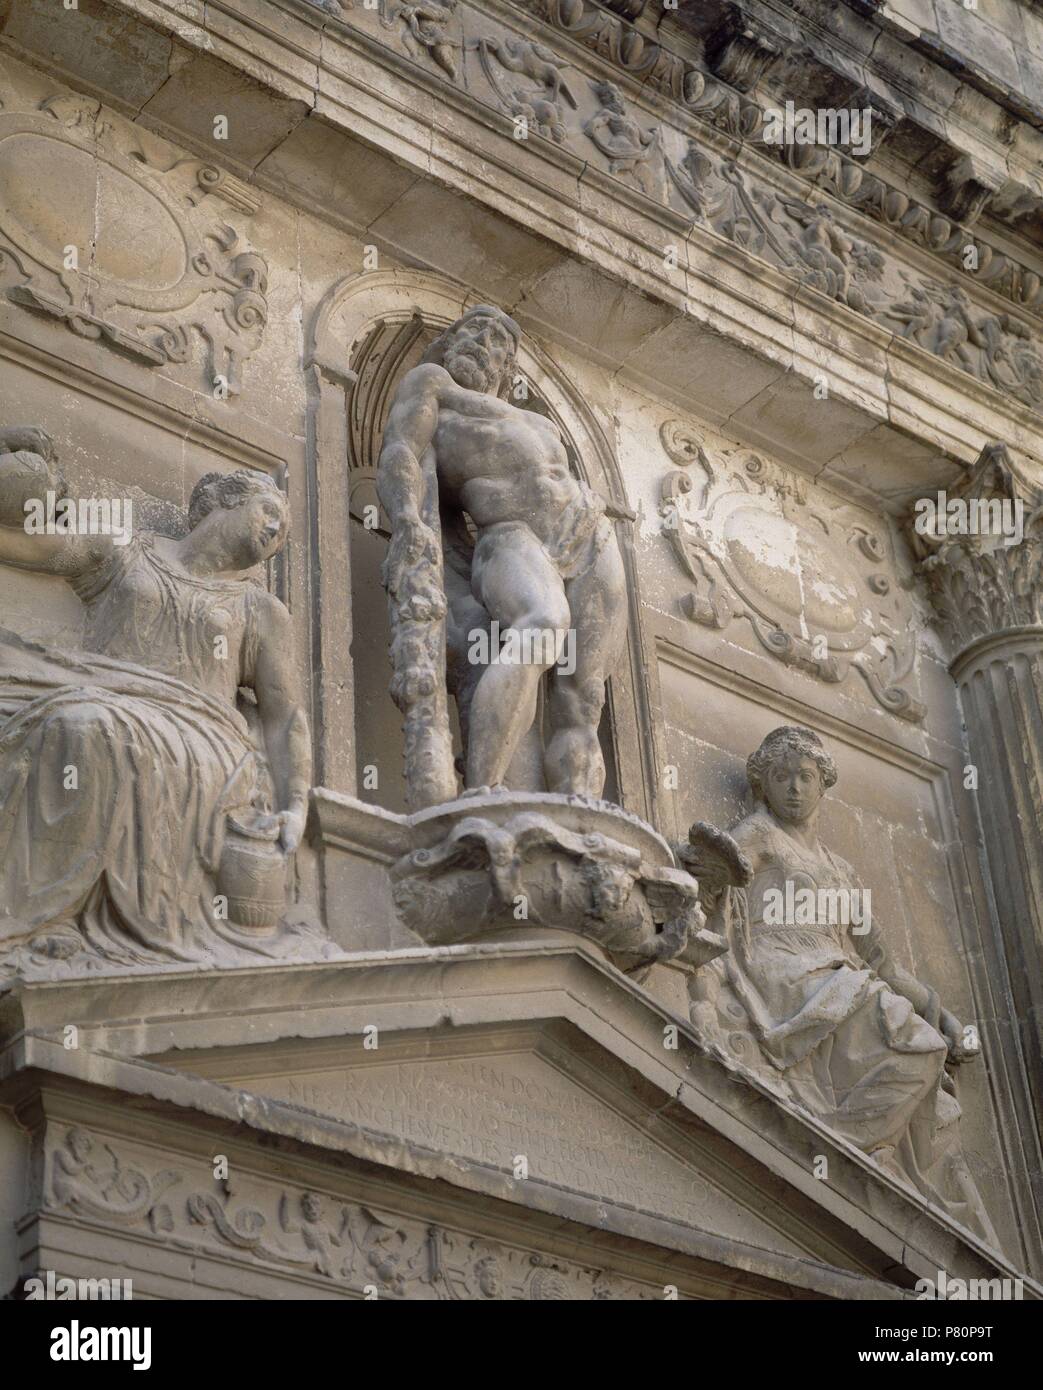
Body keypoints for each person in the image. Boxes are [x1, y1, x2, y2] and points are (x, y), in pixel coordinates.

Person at [0, 432, 313, 967]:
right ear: (223, 501)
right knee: (64, 718)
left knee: (88, 728)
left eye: (280, 534)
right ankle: (38, 918)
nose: (273, 531)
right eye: (268, 513)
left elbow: (285, 721)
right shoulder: (124, 550)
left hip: (199, 737)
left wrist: (296, 805)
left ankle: (43, 916)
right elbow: (24, 546)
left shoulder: (260, 611)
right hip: (108, 694)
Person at [689, 724, 997, 1245]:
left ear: (822, 784)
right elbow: (715, 869)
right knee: (918, 1046)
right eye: (782, 777)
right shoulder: (762, 834)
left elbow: (885, 962)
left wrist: (941, 1013)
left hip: (838, 973)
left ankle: (855, 1142)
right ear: (764, 785)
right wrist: (703, 869)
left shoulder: (840, 869)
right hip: (784, 966)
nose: (793, 788)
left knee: (928, 1044)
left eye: (805, 777)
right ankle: (849, 1144)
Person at [377, 305, 627, 798]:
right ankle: (483, 787)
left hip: (589, 531)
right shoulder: (433, 385)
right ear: (448, 343)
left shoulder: (539, 422)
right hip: (511, 535)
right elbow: (400, 452)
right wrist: (406, 518)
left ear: (506, 369)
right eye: (474, 334)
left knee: (584, 696)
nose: (482, 346)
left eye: (497, 345)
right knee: (541, 625)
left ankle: (579, 809)